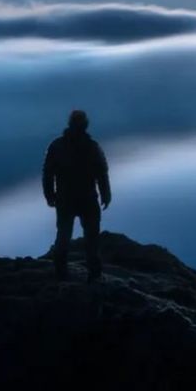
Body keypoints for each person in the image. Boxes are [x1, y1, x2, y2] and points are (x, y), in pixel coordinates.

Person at [42, 110, 111, 282]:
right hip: (87, 198)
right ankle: (94, 275)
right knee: (91, 238)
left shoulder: (56, 146)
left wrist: (49, 195)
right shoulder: (92, 146)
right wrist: (105, 194)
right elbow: (102, 173)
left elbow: (48, 174)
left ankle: (61, 272)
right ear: (85, 124)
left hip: (65, 199)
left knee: (64, 235)